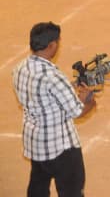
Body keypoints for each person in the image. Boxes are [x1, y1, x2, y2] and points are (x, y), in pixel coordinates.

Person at [13, 22, 95, 197]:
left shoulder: (19, 68)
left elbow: (38, 98)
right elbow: (77, 111)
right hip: (61, 148)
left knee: (38, 188)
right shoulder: (53, 77)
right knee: (72, 192)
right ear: (51, 46)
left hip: (36, 144)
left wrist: (69, 87)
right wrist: (89, 100)